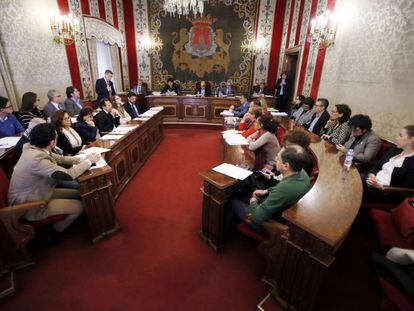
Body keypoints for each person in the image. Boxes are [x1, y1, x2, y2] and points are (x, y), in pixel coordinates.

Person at [7, 123, 100, 235]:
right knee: (79, 206)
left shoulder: (34, 148)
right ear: (52, 142)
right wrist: (89, 162)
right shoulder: (37, 159)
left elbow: (62, 159)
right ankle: (57, 231)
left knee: (77, 193)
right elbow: (68, 175)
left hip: (39, 192)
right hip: (29, 204)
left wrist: (84, 159)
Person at [228, 145, 311, 230]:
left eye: (278, 158)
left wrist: (253, 202)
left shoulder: (284, 189)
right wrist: (267, 191)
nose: (275, 160)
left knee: (231, 200)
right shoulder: (302, 173)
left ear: (286, 166)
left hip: (269, 223)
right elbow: (281, 189)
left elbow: (257, 217)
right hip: (280, 211)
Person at [363, 125, 414, 203]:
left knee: (355, 192)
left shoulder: (412, 163)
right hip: (372, 180)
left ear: (411, 139)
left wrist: (381, 187)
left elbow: (407, 190)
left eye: (400, 135)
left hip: (385, 193)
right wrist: (372, 175)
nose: (397, 138)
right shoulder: (395, 150)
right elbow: (377, 165)